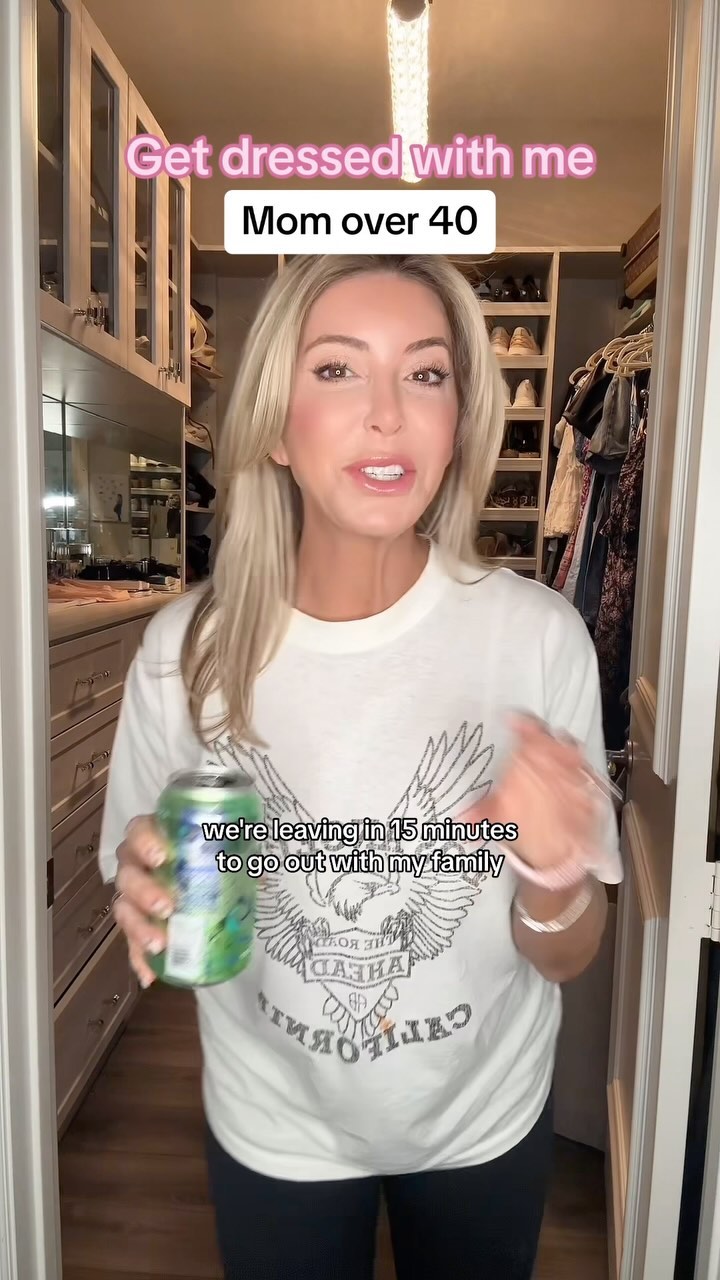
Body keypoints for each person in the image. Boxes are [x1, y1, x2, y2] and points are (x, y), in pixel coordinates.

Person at [99, 254, 622, 1280]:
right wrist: (146, 894)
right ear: (275, 424)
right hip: (274, 1123)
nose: (388, 414)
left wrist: (554, 875)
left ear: (458, 419)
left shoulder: (537, 637)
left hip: (482, 1117)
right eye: (337, 369)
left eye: (425, 374)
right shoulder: (183, 652)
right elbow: (153, 905)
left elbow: (569, 954)